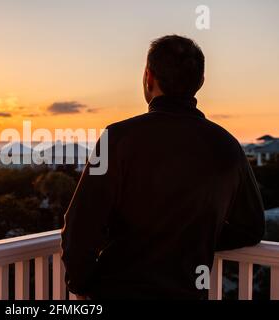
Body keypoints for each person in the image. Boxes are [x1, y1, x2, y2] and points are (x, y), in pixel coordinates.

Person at [61, 35, 265, 300]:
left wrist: (81, 286)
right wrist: (192, 237)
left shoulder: (118, 138)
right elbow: (250, 228)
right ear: (200, 83)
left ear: (148, 77)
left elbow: (80, 226)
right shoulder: (227, 146)